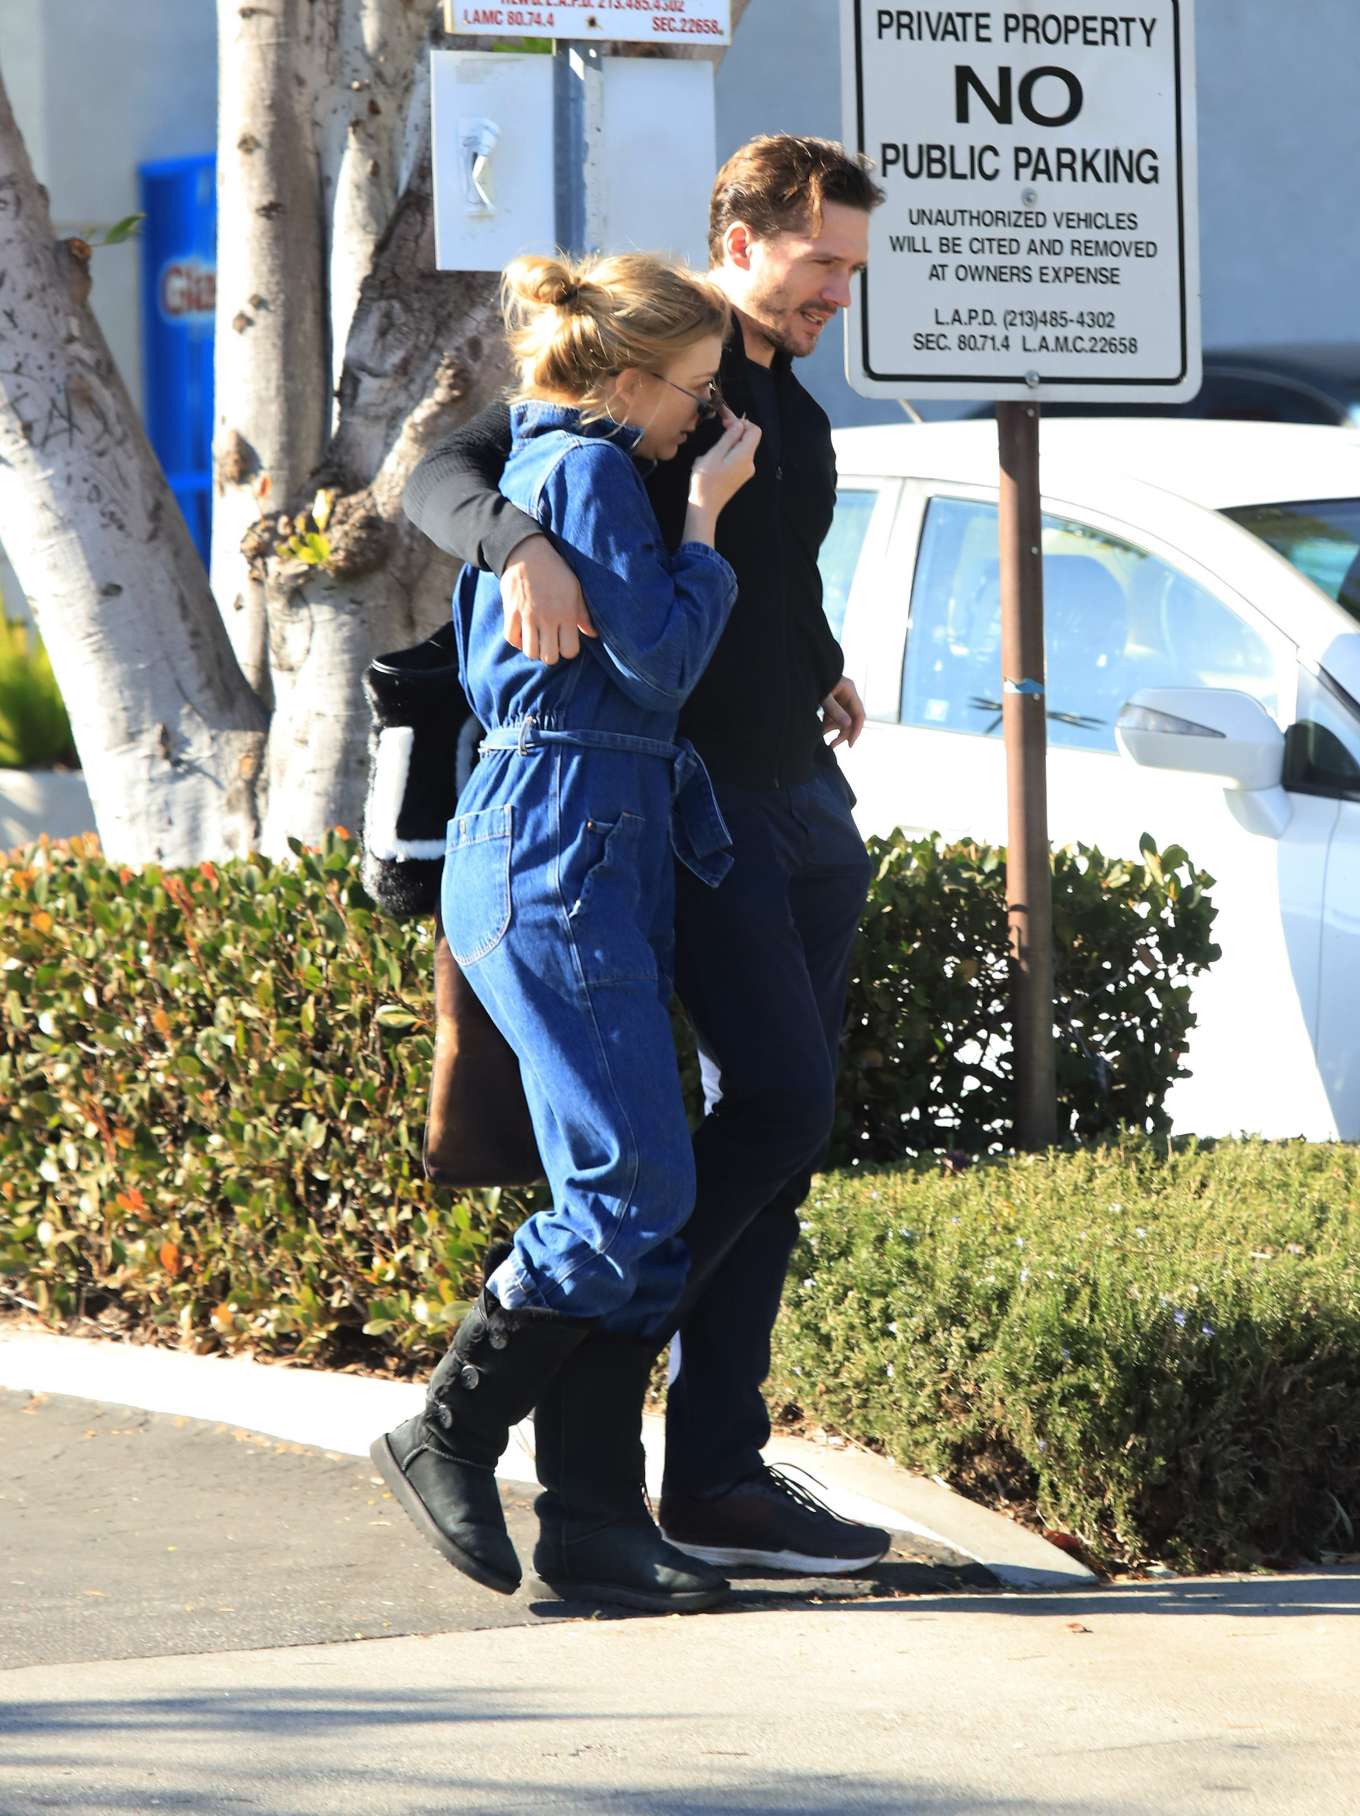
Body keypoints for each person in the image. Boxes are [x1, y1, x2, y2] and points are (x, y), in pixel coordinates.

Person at [405, 136, 891, 1592]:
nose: (836, 298)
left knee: (772, 1147)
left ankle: (707, 1475)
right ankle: (592, 1471)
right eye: (820, 267)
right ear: (734, 238)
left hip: (795, 794)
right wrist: (516, 554)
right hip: (682, 814)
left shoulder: (779, 397)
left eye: (853, 273)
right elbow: (435, 474)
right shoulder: (639, 371)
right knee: (725, 1137)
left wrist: (822, 664)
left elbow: (776, 571)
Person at [373, 253, 761, 1613]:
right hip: (565, 846)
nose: (701, 423)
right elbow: (658, 659)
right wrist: (705, 524)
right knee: (633, 1194)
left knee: (636, 1204)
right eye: (694, 393)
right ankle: (448, 1429)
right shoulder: (589, 471)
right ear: (625, 376)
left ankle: (592, 1531)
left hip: (571, 838)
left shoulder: (554, 468)